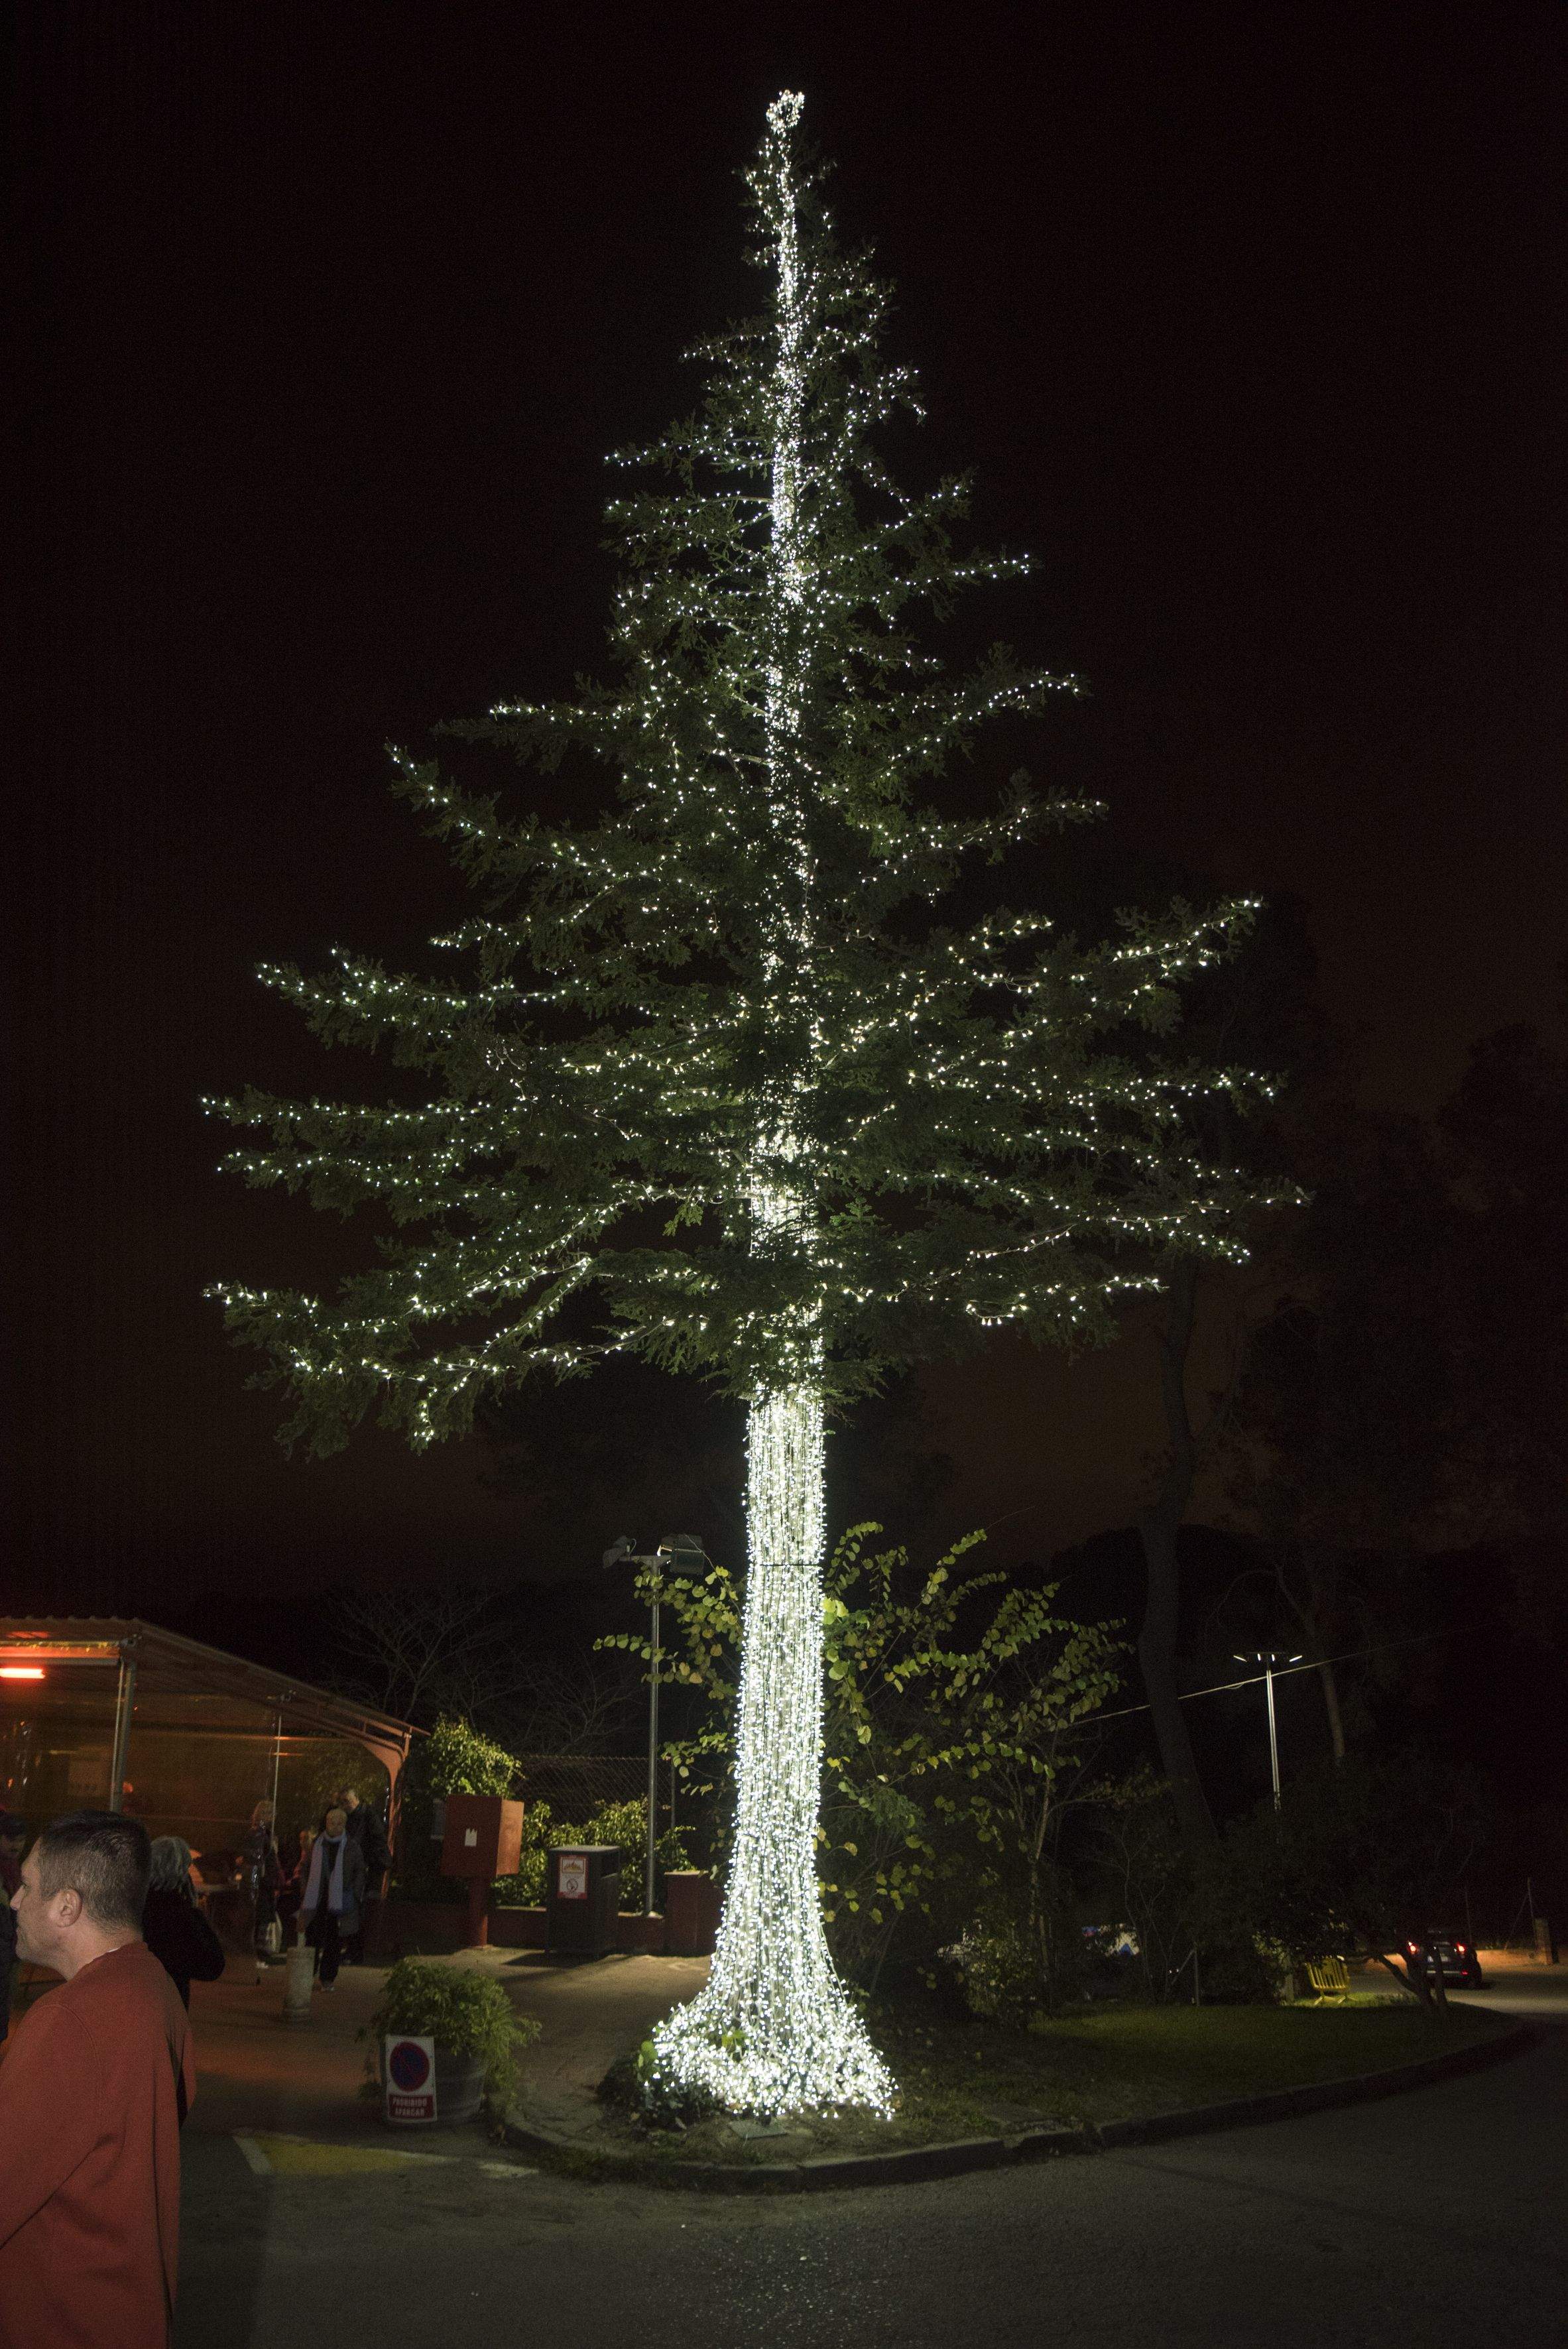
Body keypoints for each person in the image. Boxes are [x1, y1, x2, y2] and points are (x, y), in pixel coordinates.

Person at [0, 1810, 195, 2349]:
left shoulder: (72, 2018)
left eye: (27, 1886)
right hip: (127, 2311)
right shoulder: (152, 1984)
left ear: (68, 1905)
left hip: (61, 2320)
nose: (15, 1901)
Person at [141, 1835, 226, 2008]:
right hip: (169, 2006)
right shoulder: (180, 1912)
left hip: (131, 2003)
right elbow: (212, 1965)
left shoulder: (132, 1906)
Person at [296, 1807, 365, 1989]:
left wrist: (355, 1892)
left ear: (344, 1824)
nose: (335, 1826)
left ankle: (327, 1978)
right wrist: (305, 1889)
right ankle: (308, 1975)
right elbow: (304, 1868)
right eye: (332, 1822)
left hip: (339, 1901)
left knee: (334, 1941)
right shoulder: (317, 1844)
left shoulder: (351, 1846)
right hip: (317, 1901)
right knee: (313, 1939)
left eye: (339, 1823)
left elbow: (360, 1870)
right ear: (327, 1823)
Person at [337, 1785, 391, 1962]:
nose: (345, 1805)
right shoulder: (359, 1816)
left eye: (347, 1801)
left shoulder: (365, 1817)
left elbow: (375, 1843)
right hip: (358, 1870)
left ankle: (355, 1951)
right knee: (353, 1911)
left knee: (356, 1911)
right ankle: (353, 1950)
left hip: (362, 1871)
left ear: (356, 1799)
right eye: (342, 1802)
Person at [245, 1799, 284, 1963]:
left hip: (265, 1881)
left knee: (261, 1918)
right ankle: (257, 1954)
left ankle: (260, 1953)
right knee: (258, 1918)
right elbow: (258, 1859)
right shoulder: (258, 1834)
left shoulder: (263, 1833)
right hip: (261, 1882)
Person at [0, 1814, 23, 2043]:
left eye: (21, 1839)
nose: (16, 1844)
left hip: (11, 1947)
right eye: (10, 1838)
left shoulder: (15, 1869)